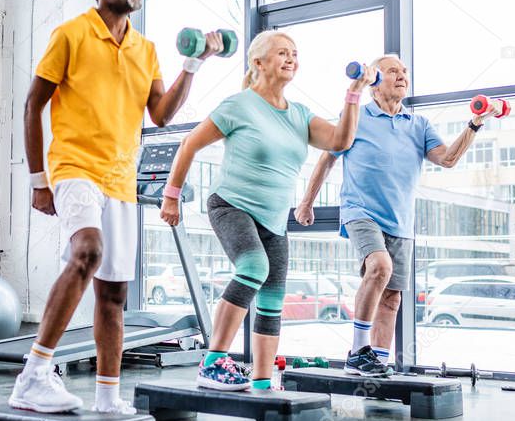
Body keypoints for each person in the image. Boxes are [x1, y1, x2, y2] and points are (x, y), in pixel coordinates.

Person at [8, 0, 224, 413]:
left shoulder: (144, 50)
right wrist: (38, 180)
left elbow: (162, 116)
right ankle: (34, 374)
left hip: (120, 179)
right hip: (74, 166)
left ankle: (108, 398)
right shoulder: (71, 34)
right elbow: (32, 105)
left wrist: (194, 63)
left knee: (114, 292)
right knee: (88, 250)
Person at [160, 30, 374, 391]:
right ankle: (212, 363)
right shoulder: (238, 106)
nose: (291, 58)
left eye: (294, 53)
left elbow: (341, 140)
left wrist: (354, 93)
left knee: (273, 298)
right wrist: (171, 196)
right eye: (281, 53)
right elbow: (188, 143)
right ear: (258, 63)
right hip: (231, 204)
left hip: (274, 219)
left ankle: (260, 383)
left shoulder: (300, 115)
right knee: (253, 267)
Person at [295, 54, 495, 376]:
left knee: (391, 300)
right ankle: (358, 352)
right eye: (392, 71)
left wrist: (475, 124)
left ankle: (377, 366)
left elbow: (447, 159)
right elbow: (327, 159)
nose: (402, 75)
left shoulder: (418, 125)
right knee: (379, 266)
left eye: (404, 71)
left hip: (401, 221)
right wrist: (306, 203)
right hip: (361, 212)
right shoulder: (357, 116)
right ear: (374, 82)